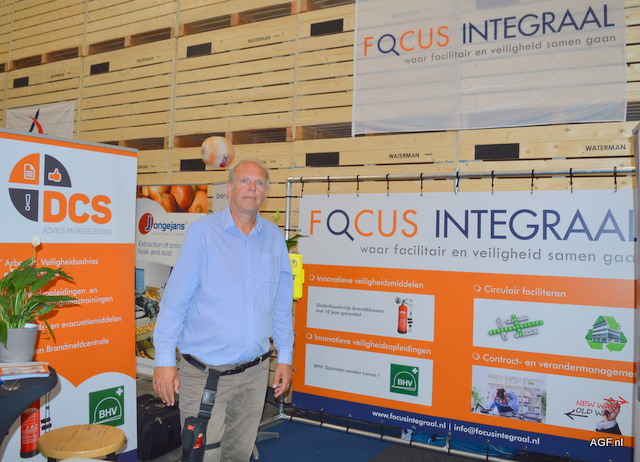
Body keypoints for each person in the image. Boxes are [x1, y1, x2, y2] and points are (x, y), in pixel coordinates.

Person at [152, 159, 294, 462]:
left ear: (265, 192)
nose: (252, 188)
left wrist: (285, 356)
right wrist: (164, 361)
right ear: (229, 188)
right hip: (205, 376)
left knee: (238, 454)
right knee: (203, 456)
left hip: (255, 374)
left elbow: (281, 302)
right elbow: (175, 302)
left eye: (259, 183)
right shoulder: (202, 233)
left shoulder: (273, 237)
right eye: (244, 181)